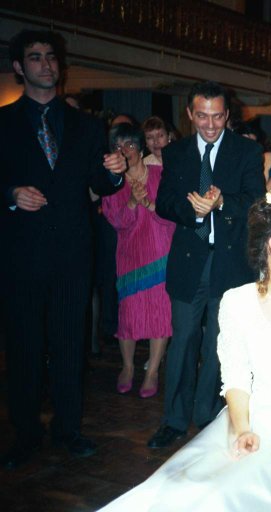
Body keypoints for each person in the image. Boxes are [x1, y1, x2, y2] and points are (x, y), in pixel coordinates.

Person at [99, 190, 271, 512]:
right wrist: (242, 429)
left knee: (239, 495)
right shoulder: (237, 302)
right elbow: (236, 378)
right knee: (185, 491)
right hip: (252, 417)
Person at [0, 29, 127, 468]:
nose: (46, 64)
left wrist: (114, 172)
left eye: (51, 56)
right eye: (35, 57)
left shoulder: (87, 125)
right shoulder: (3, 122)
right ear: (19, 67)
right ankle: (26, 433)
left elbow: (100, 182)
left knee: (71, 345)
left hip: (73, 254)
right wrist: (11, 194)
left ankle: (68, 428)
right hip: (21, 256)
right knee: (24, 348)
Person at [147, 81, 264, 449]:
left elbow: (255, 200)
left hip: (229, 262)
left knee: (218, 343)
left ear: (227, 115)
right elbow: (164, 201)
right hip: (188, 261)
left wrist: (221, 203)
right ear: (190, 114)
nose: (210, 125)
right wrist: (191, 209)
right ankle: (174, 420)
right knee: (182, 340)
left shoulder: (247, 150)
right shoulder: (176, 151)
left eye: (216, 116)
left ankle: (207, 416)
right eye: (202, 116)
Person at [101, 123, 175, 398]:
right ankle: (128, 367)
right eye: (118, 146)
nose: (125, 151)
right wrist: (132, 202)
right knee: (129, 313)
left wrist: (148, 204)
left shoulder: (161, 174)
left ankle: (152, 370)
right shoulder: (113, 183)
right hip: (130, 255)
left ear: (140, 149)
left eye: (130, 145)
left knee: (160, 313)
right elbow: (116, 222)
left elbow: (173, 215)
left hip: (160, 252)